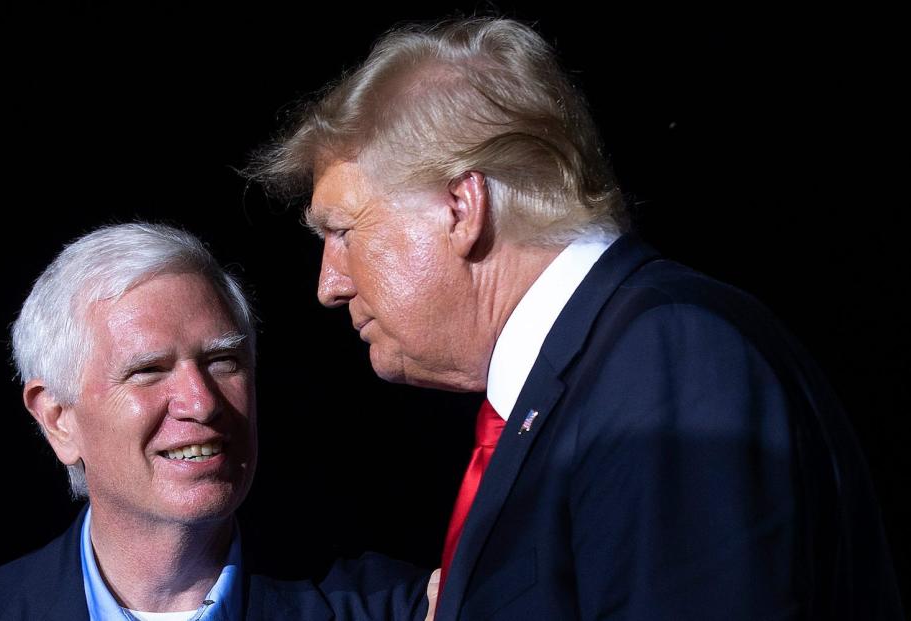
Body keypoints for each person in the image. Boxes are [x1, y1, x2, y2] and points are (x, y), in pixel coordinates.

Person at [249, 17, 902, 620]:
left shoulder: (664, 359)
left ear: (461, 207)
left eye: (342, 232)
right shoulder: (585, 385)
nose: (328, 286)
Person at [0, 223, 430, 620]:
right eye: (148, 371)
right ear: (58, 420)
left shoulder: (395, 608)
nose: (202, 401)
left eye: (223, 362)